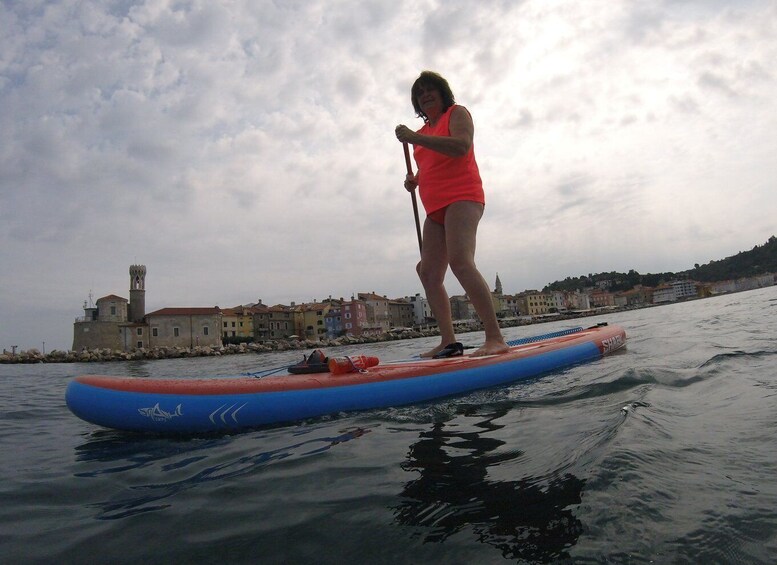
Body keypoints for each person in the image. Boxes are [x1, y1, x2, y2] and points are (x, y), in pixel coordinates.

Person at [395, 71, 509, 358]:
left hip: (463, 197)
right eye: (419, 93)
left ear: (442, 92)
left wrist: (412, 136)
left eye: (430, 89)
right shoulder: (422, 136)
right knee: (427, 271)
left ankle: (495, 338)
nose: (425, 95)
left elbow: (460, 147)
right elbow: (432, 163)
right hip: (434, 208)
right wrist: (416, 180)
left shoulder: (457, 114)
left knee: (460, 261)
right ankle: (448, 341)